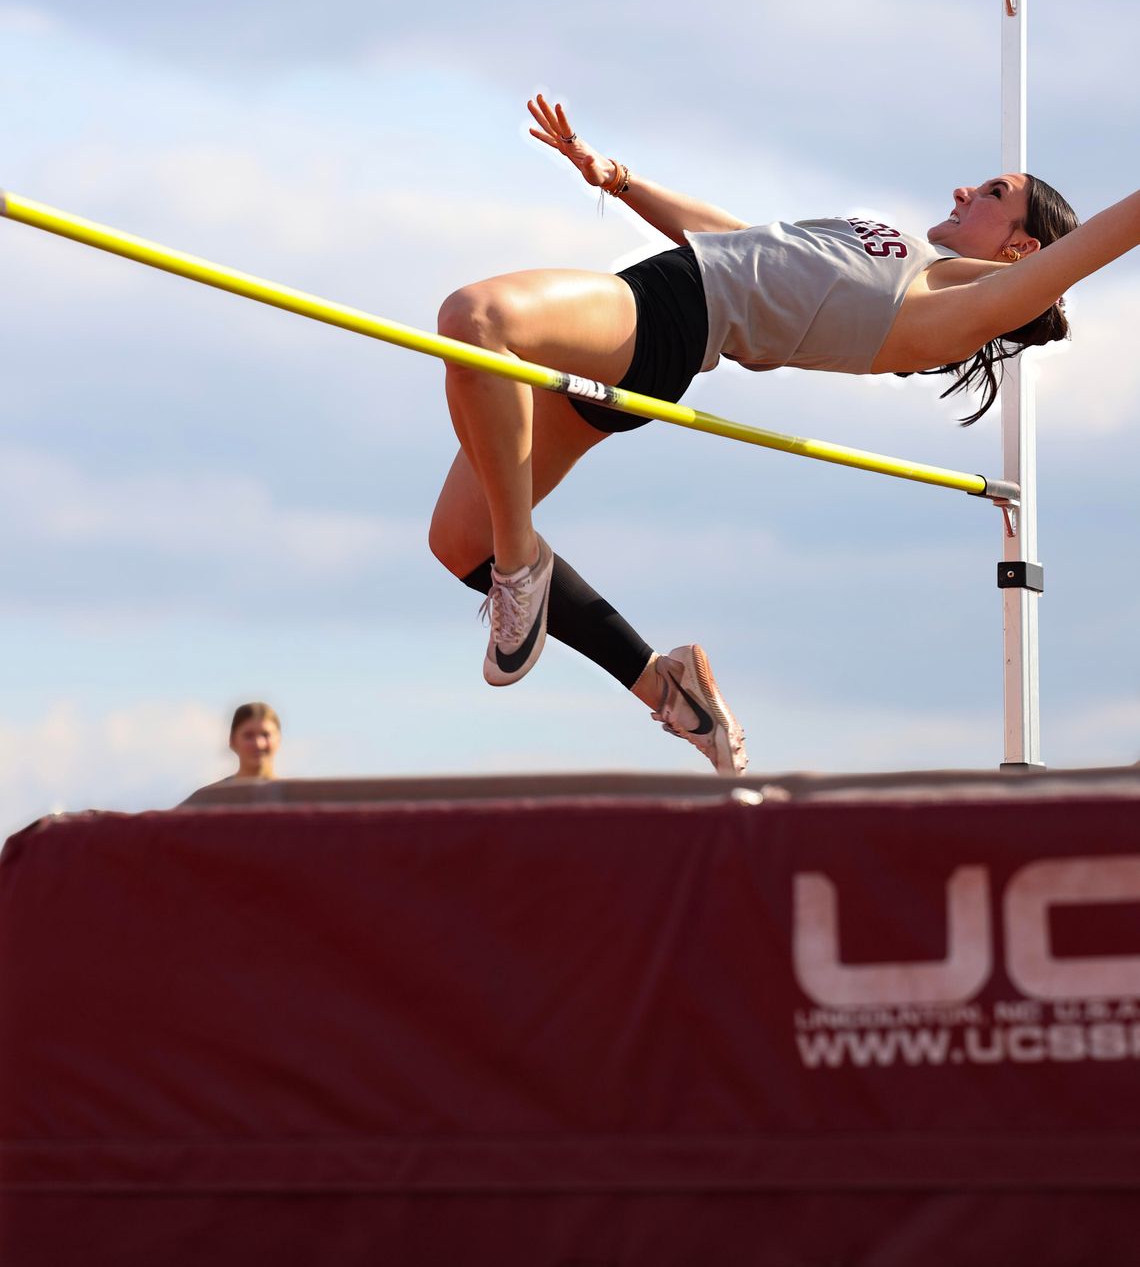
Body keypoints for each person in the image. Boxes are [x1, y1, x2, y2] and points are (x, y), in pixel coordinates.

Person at [430, 93, 1130, 776]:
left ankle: (519, 568)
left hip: (669, 314)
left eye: (993, 193)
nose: (963, 189)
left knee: (477, 318)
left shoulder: (963, 310)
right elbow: (736, 240)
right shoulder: (910, 257)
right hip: (659, 308)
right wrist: (618, 178)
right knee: (460, 540)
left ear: (1022, 250)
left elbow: (1092, 246)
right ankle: (668, 689)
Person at [225, 702, 282, 783]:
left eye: (265, 735)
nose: (259, 744)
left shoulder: (294, 790)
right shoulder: (214, 791)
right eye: (248, 736)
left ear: (278, 739)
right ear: (232, 741)